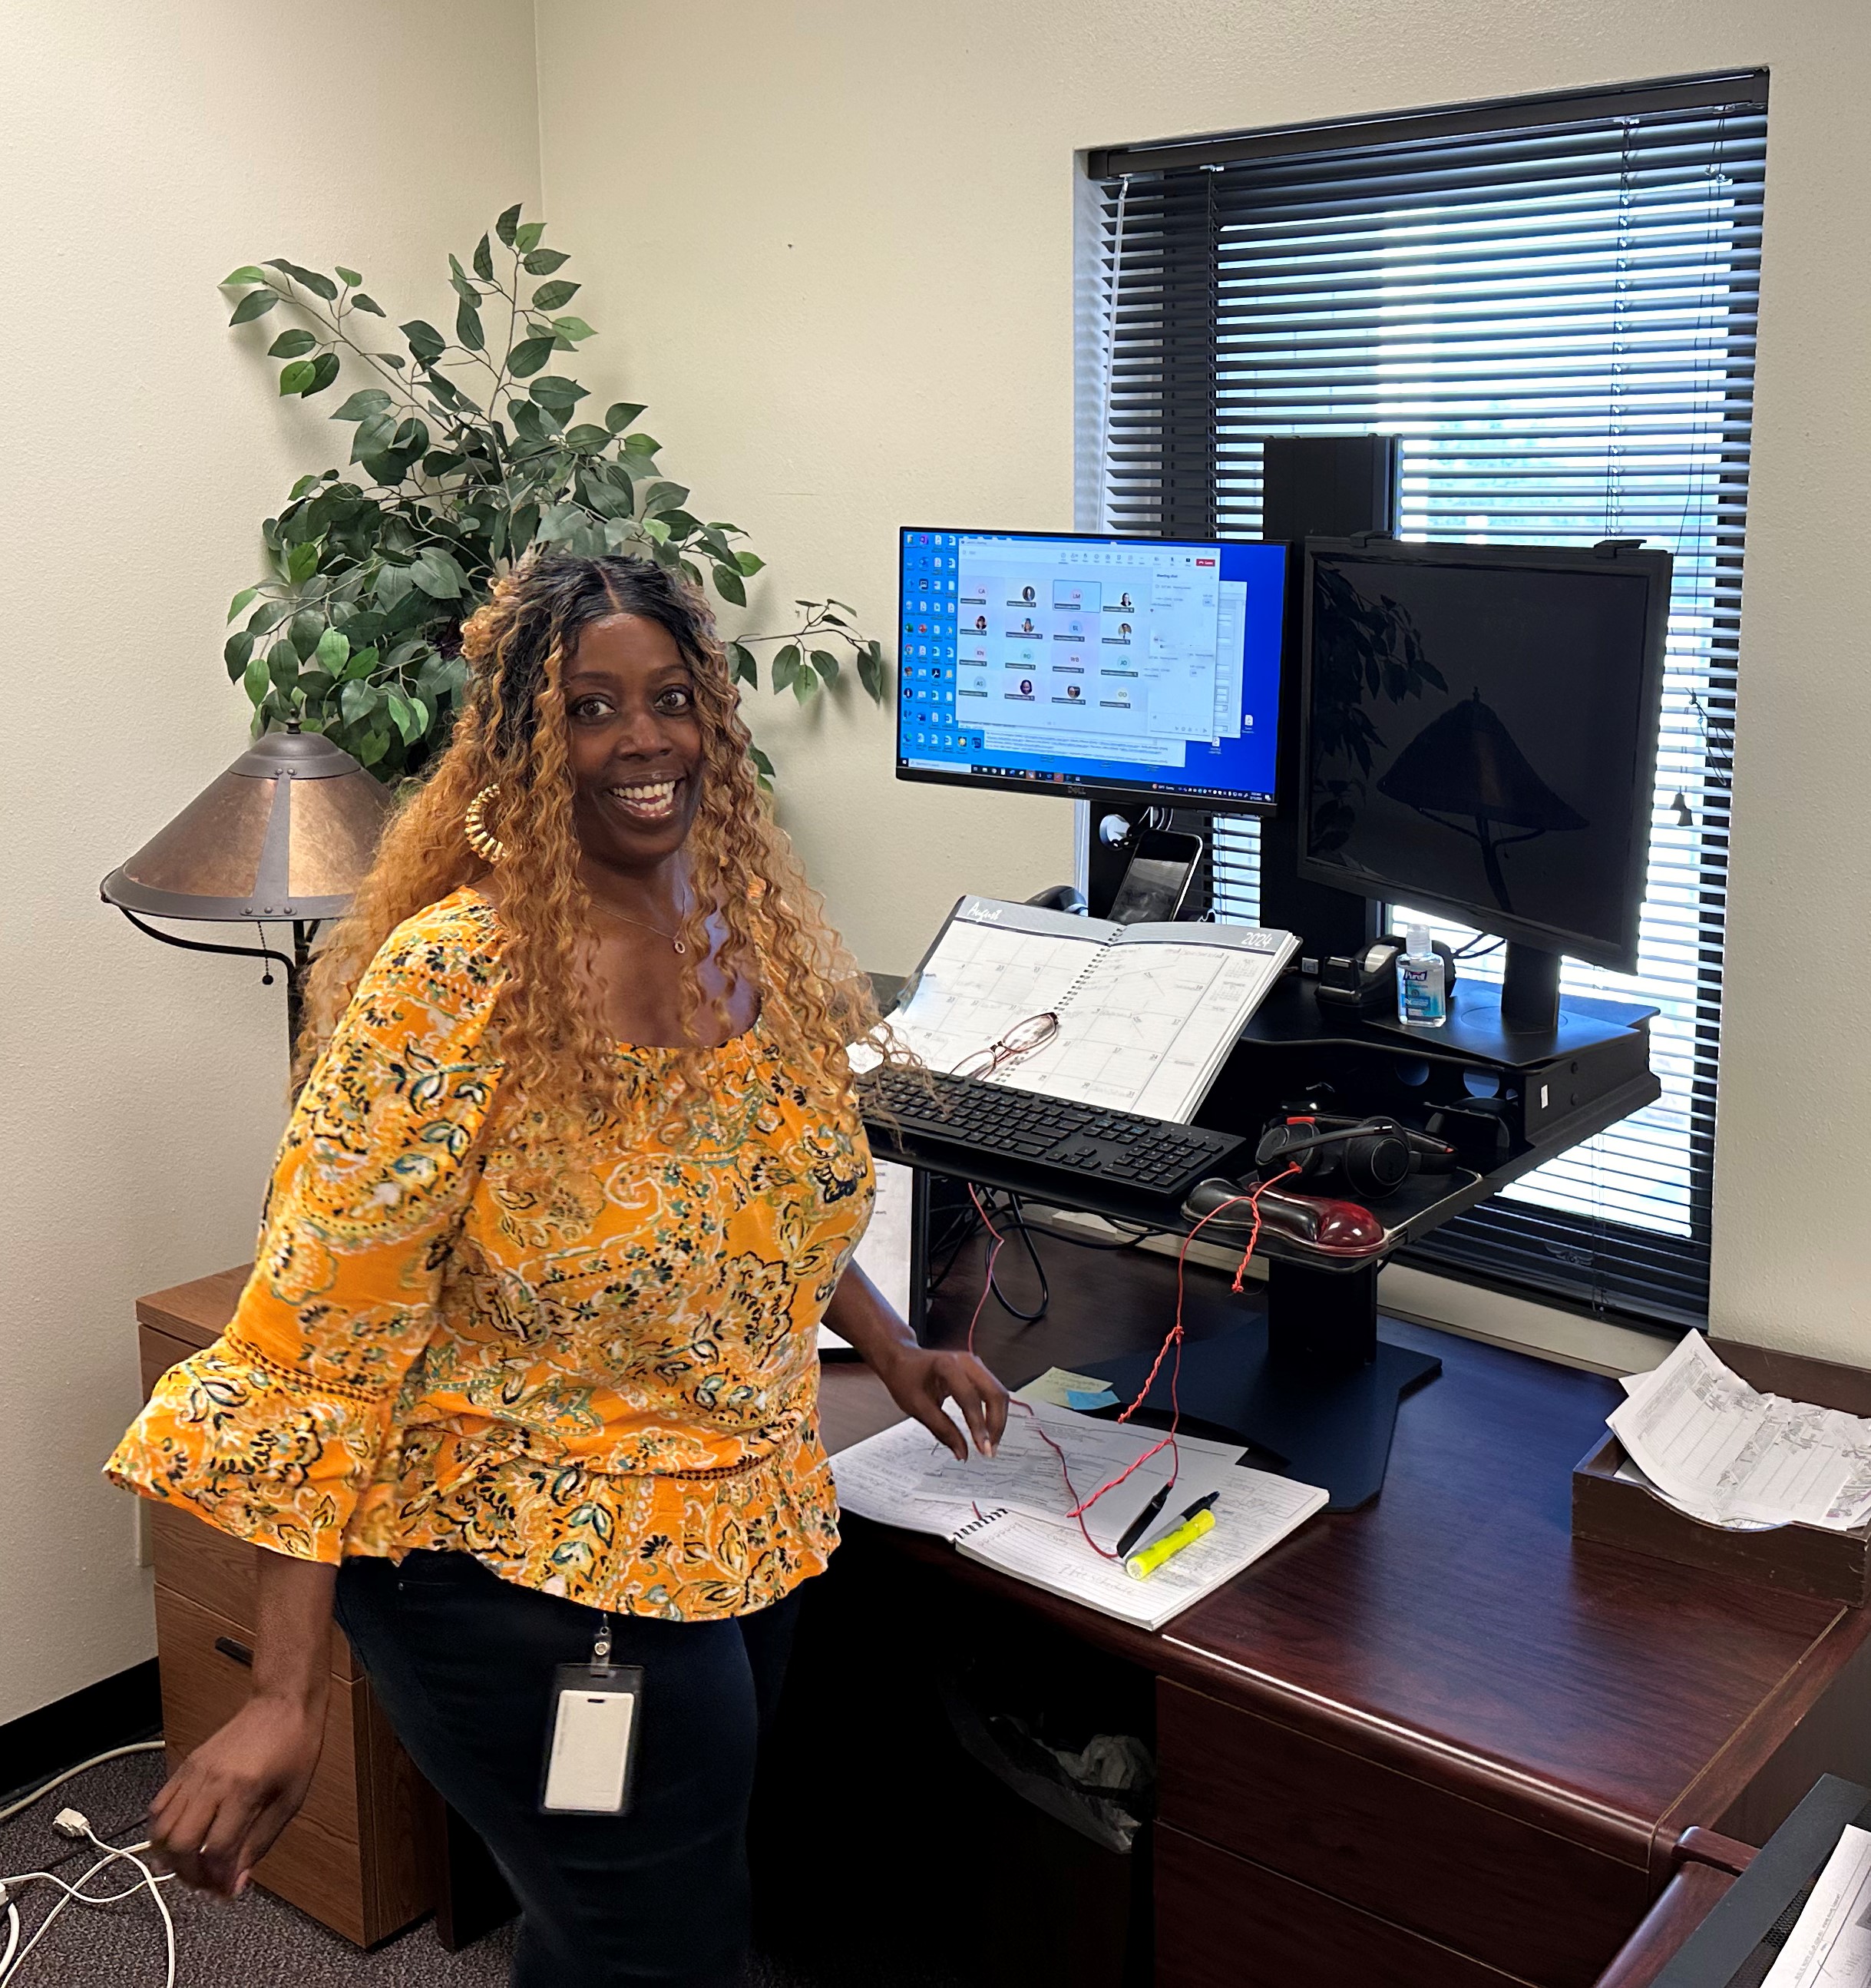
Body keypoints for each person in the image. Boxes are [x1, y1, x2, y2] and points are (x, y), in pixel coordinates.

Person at [107, 551, 1009, 1988]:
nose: (641, 740)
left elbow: (761, 1197)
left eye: (669, 697)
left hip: (741, 1512)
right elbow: (314, 1338)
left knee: (640, 1917)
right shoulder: (457, 982)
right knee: (659, 1940)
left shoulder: (735, 926)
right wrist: (286, 1689)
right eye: (591, 708)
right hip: (512, 1550)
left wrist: (893, 1349)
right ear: (526, 742)